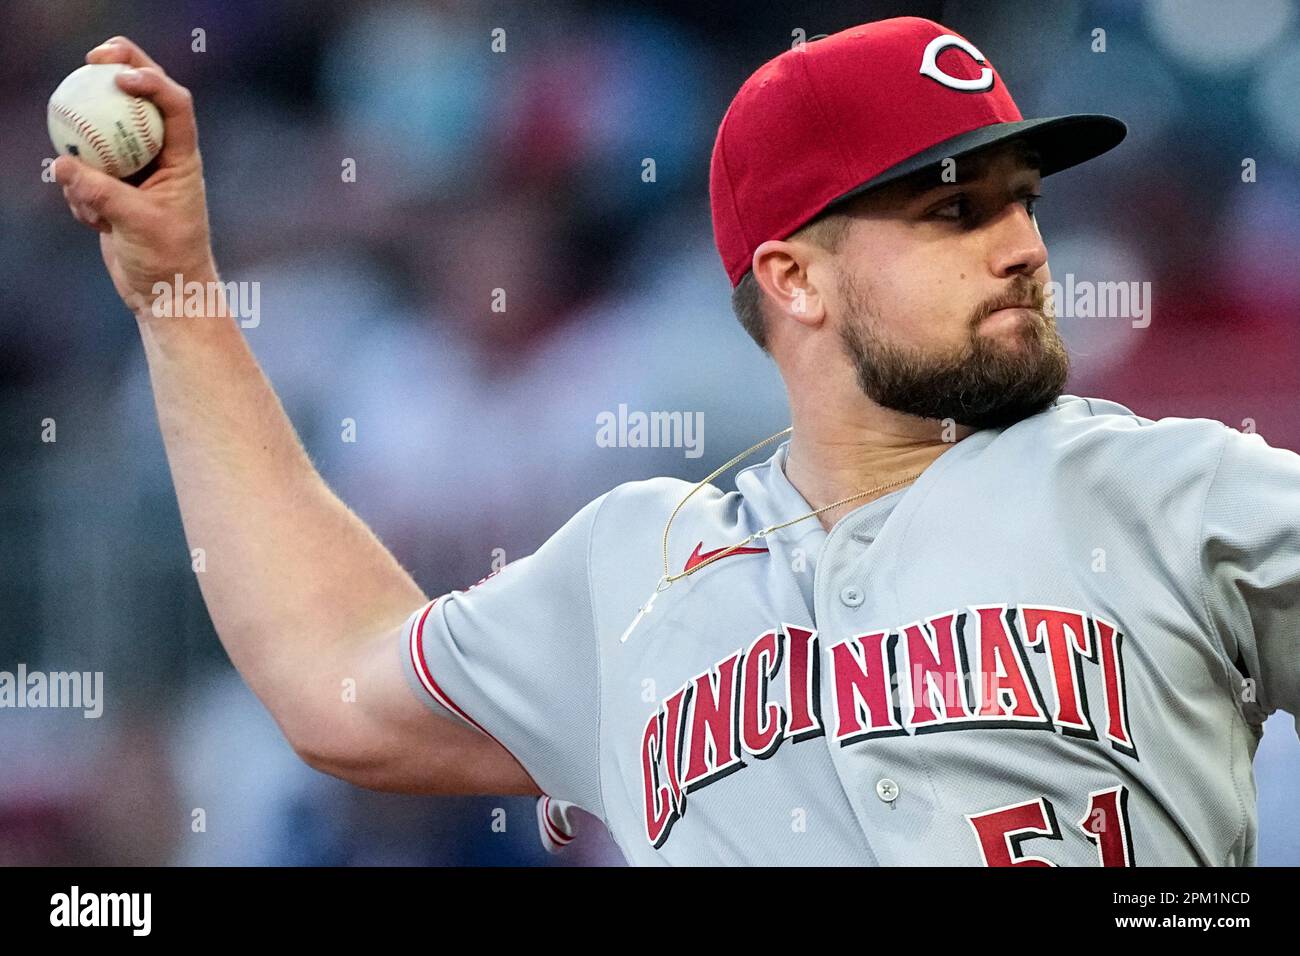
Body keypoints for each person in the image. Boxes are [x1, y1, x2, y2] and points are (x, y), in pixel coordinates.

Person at [56, 17, 1299, 866]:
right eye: (952, 210)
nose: (1025, 243)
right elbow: (335, 678)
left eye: (1024, 201)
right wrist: (179, 294)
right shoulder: (633, 567)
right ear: (793, 279)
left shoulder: (1172, 487)